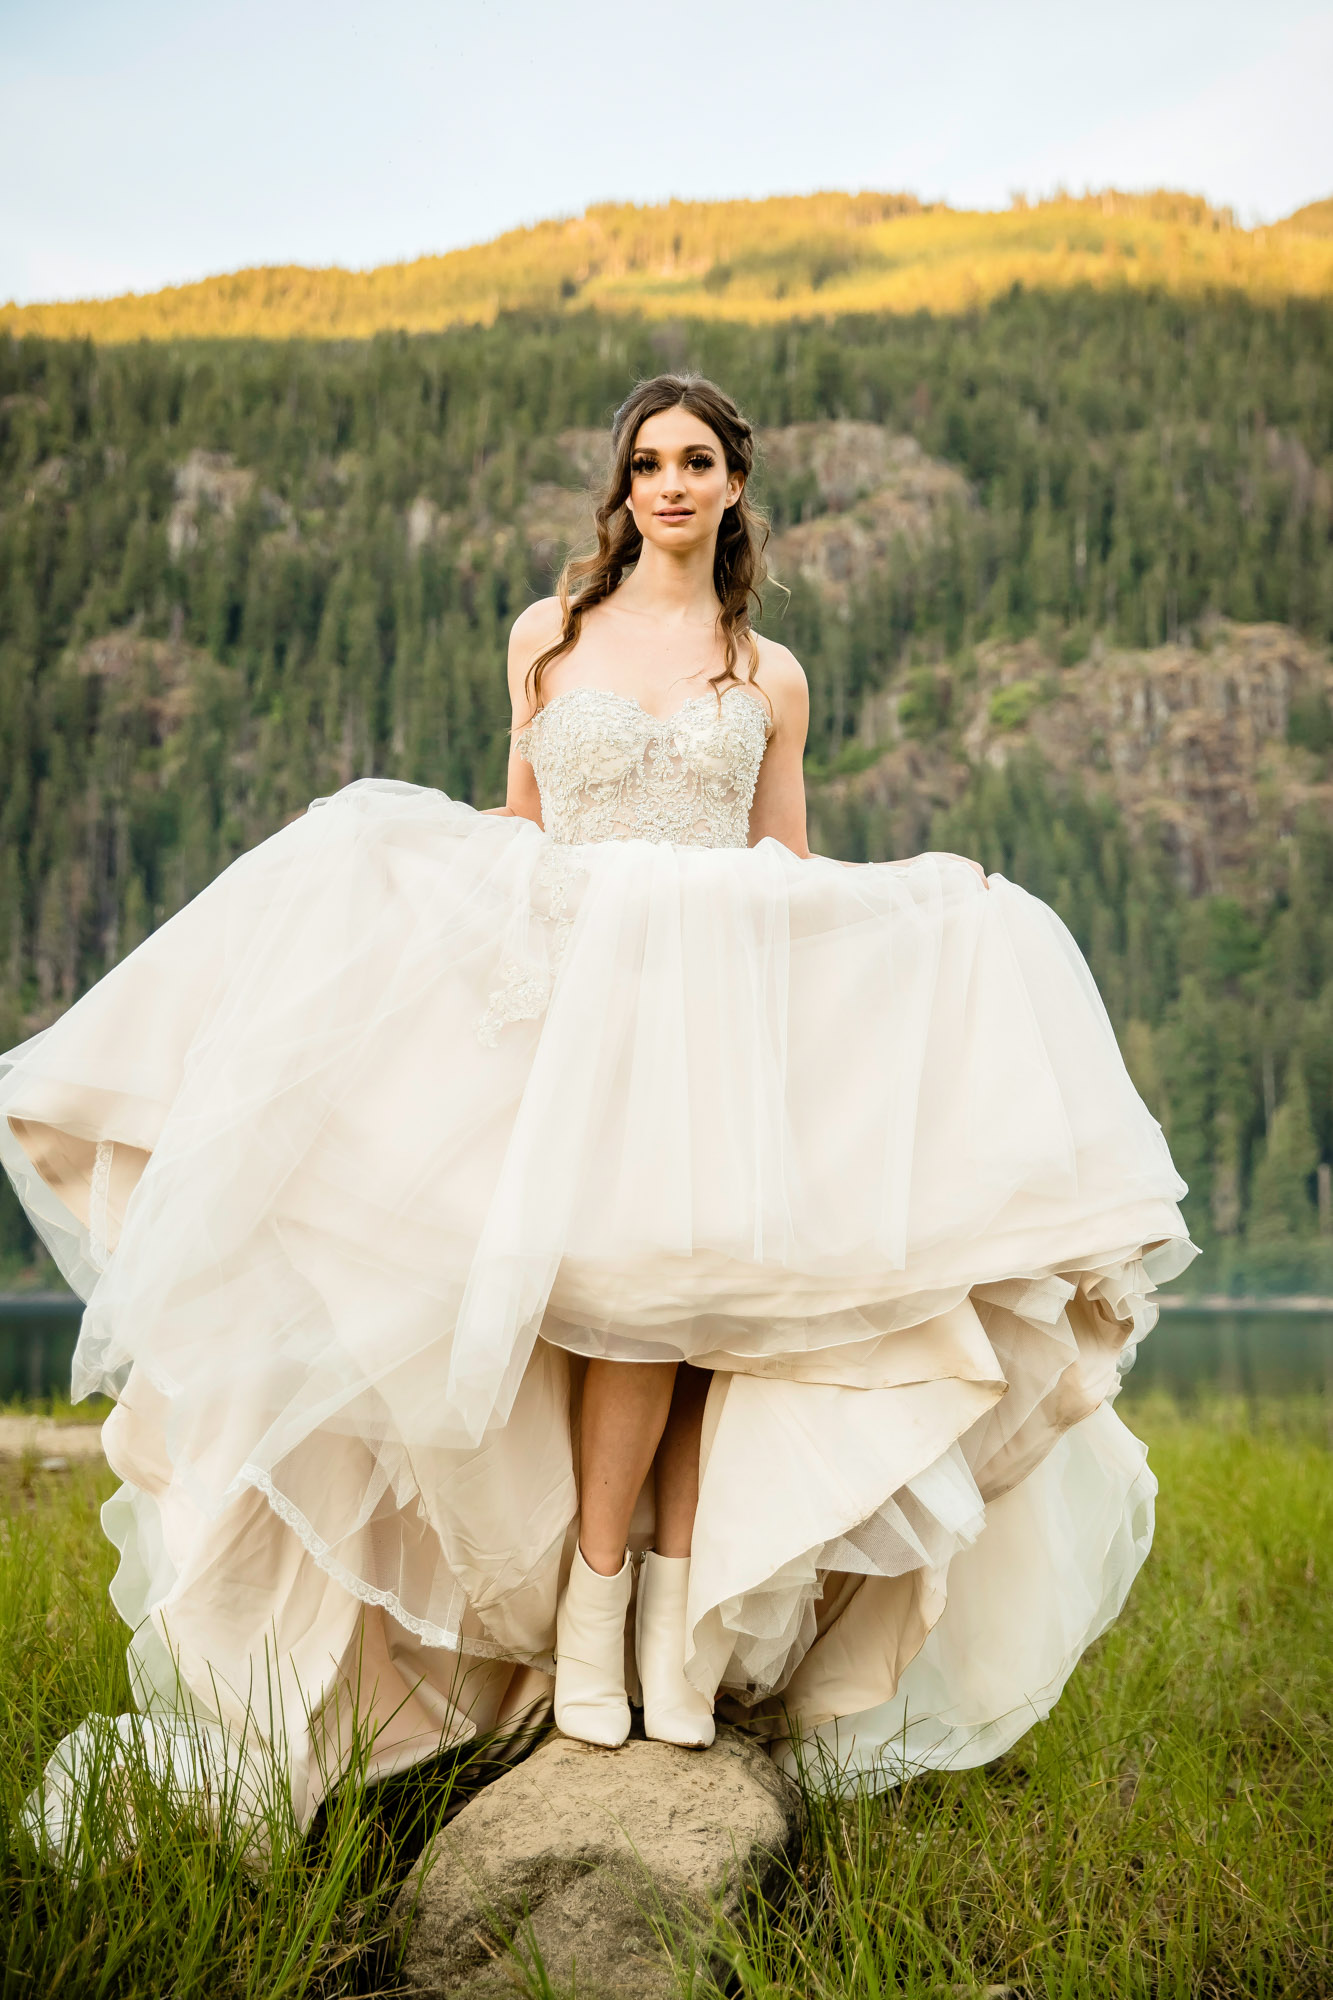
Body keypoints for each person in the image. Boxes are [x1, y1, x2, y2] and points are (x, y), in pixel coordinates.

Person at [1, 374, 1193, 1839]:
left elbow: (785, 870)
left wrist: (902, 952)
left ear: (733, 485)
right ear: (619, 487)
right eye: (645, 463)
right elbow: (518, 820)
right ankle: (595, 1617)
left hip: (713, 1026)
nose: (669, 485)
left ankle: (668, 1642)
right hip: (572, 1021)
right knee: (615, 1320)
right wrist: (431, 909)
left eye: (695, 461)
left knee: (713, 1329)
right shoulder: (547, 638)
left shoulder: (770, 667)